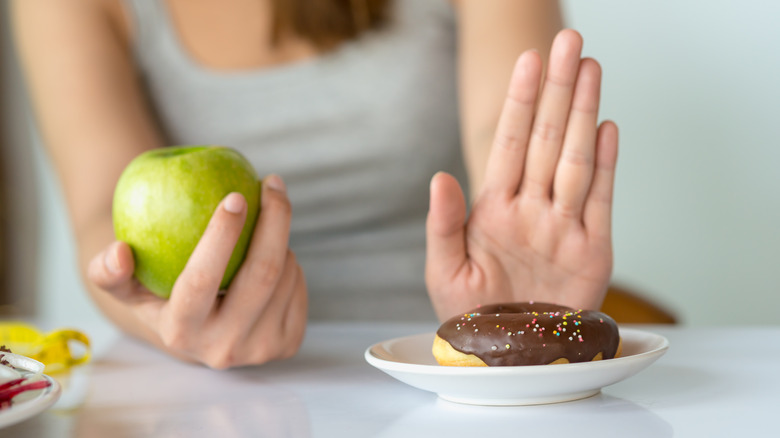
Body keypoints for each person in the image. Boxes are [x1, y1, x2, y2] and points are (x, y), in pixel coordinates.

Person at [11, 0, 618, 369]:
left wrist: (513, 308)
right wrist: (176, 327)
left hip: (436, 373)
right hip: (189, 395)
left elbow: (506, 141)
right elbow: (100, 212)